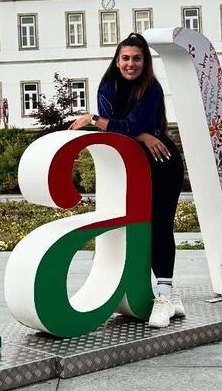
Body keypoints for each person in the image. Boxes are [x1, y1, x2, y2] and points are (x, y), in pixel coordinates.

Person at [69, 33, 186, 329]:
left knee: (160, 227)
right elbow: (118, 133)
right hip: (129, 165)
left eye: (136, 58)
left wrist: (95, 119)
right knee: (136, 231)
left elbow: (127, 125)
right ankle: (165, 295)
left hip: (161, 162)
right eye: (125, 58)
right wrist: (141, 135)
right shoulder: (108, 86)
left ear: (144, 62)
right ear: (117, 60)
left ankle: (163, 296)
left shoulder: (152, 88)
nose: (130, 64)